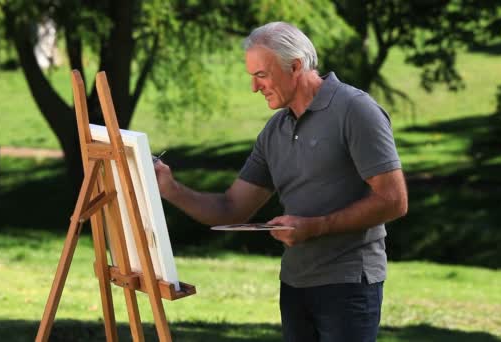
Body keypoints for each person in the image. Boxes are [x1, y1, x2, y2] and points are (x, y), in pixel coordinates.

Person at [154, 21, 408, 342]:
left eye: (261, 75)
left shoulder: (355, 109)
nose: (254, 87)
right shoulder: (275, 130)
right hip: (294, 284)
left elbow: (393, 200)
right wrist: (169, 188)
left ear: (296, 66)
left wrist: (317, 226)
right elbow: (231, 209)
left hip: (348, 285)